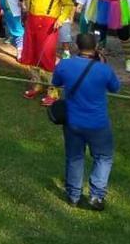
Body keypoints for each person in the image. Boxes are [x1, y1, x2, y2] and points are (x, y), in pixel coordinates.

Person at [51, 32, 120, 210]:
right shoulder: (103, 69)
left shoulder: (65, 65)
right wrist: (104, 65)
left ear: (76, 46)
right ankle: (96, 196)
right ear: (96, 47)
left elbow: (56, 81)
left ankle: (73, 195)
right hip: (98, 122)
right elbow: (115, 87)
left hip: (73, 121)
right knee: (103, 157)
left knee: (74, 157)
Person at [4, 0, 75, 105]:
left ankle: (52, 91)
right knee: (32, 54)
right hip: (32, 22)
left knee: (47, 57)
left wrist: (61, 19)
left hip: (49, 24)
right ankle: (37, 84)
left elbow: (69, 4)